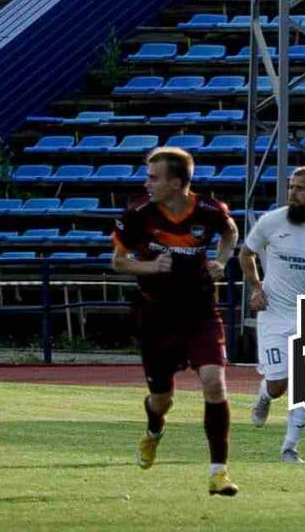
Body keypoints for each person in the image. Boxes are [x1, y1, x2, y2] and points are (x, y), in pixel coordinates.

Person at [111, 145, 239, 497]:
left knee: (214, 382)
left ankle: (219, 473)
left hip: (200, 311)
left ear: (178, 182)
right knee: (161, 399)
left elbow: (230, 232)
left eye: (154, 177)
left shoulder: (210, 210)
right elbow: (119, 262)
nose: (147, 183)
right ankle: (154, 430)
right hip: (155, 315)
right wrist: (152, 266)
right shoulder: (138, 214)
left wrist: (222, 261)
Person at [238, 165, 305, 466]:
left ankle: (290, 448)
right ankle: (264, 394)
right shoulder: (272, 221)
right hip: (274, 312)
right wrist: (256, 287)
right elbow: (245, 253)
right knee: (279, 384)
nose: (293, 193)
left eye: (300, 188)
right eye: (291, 187)